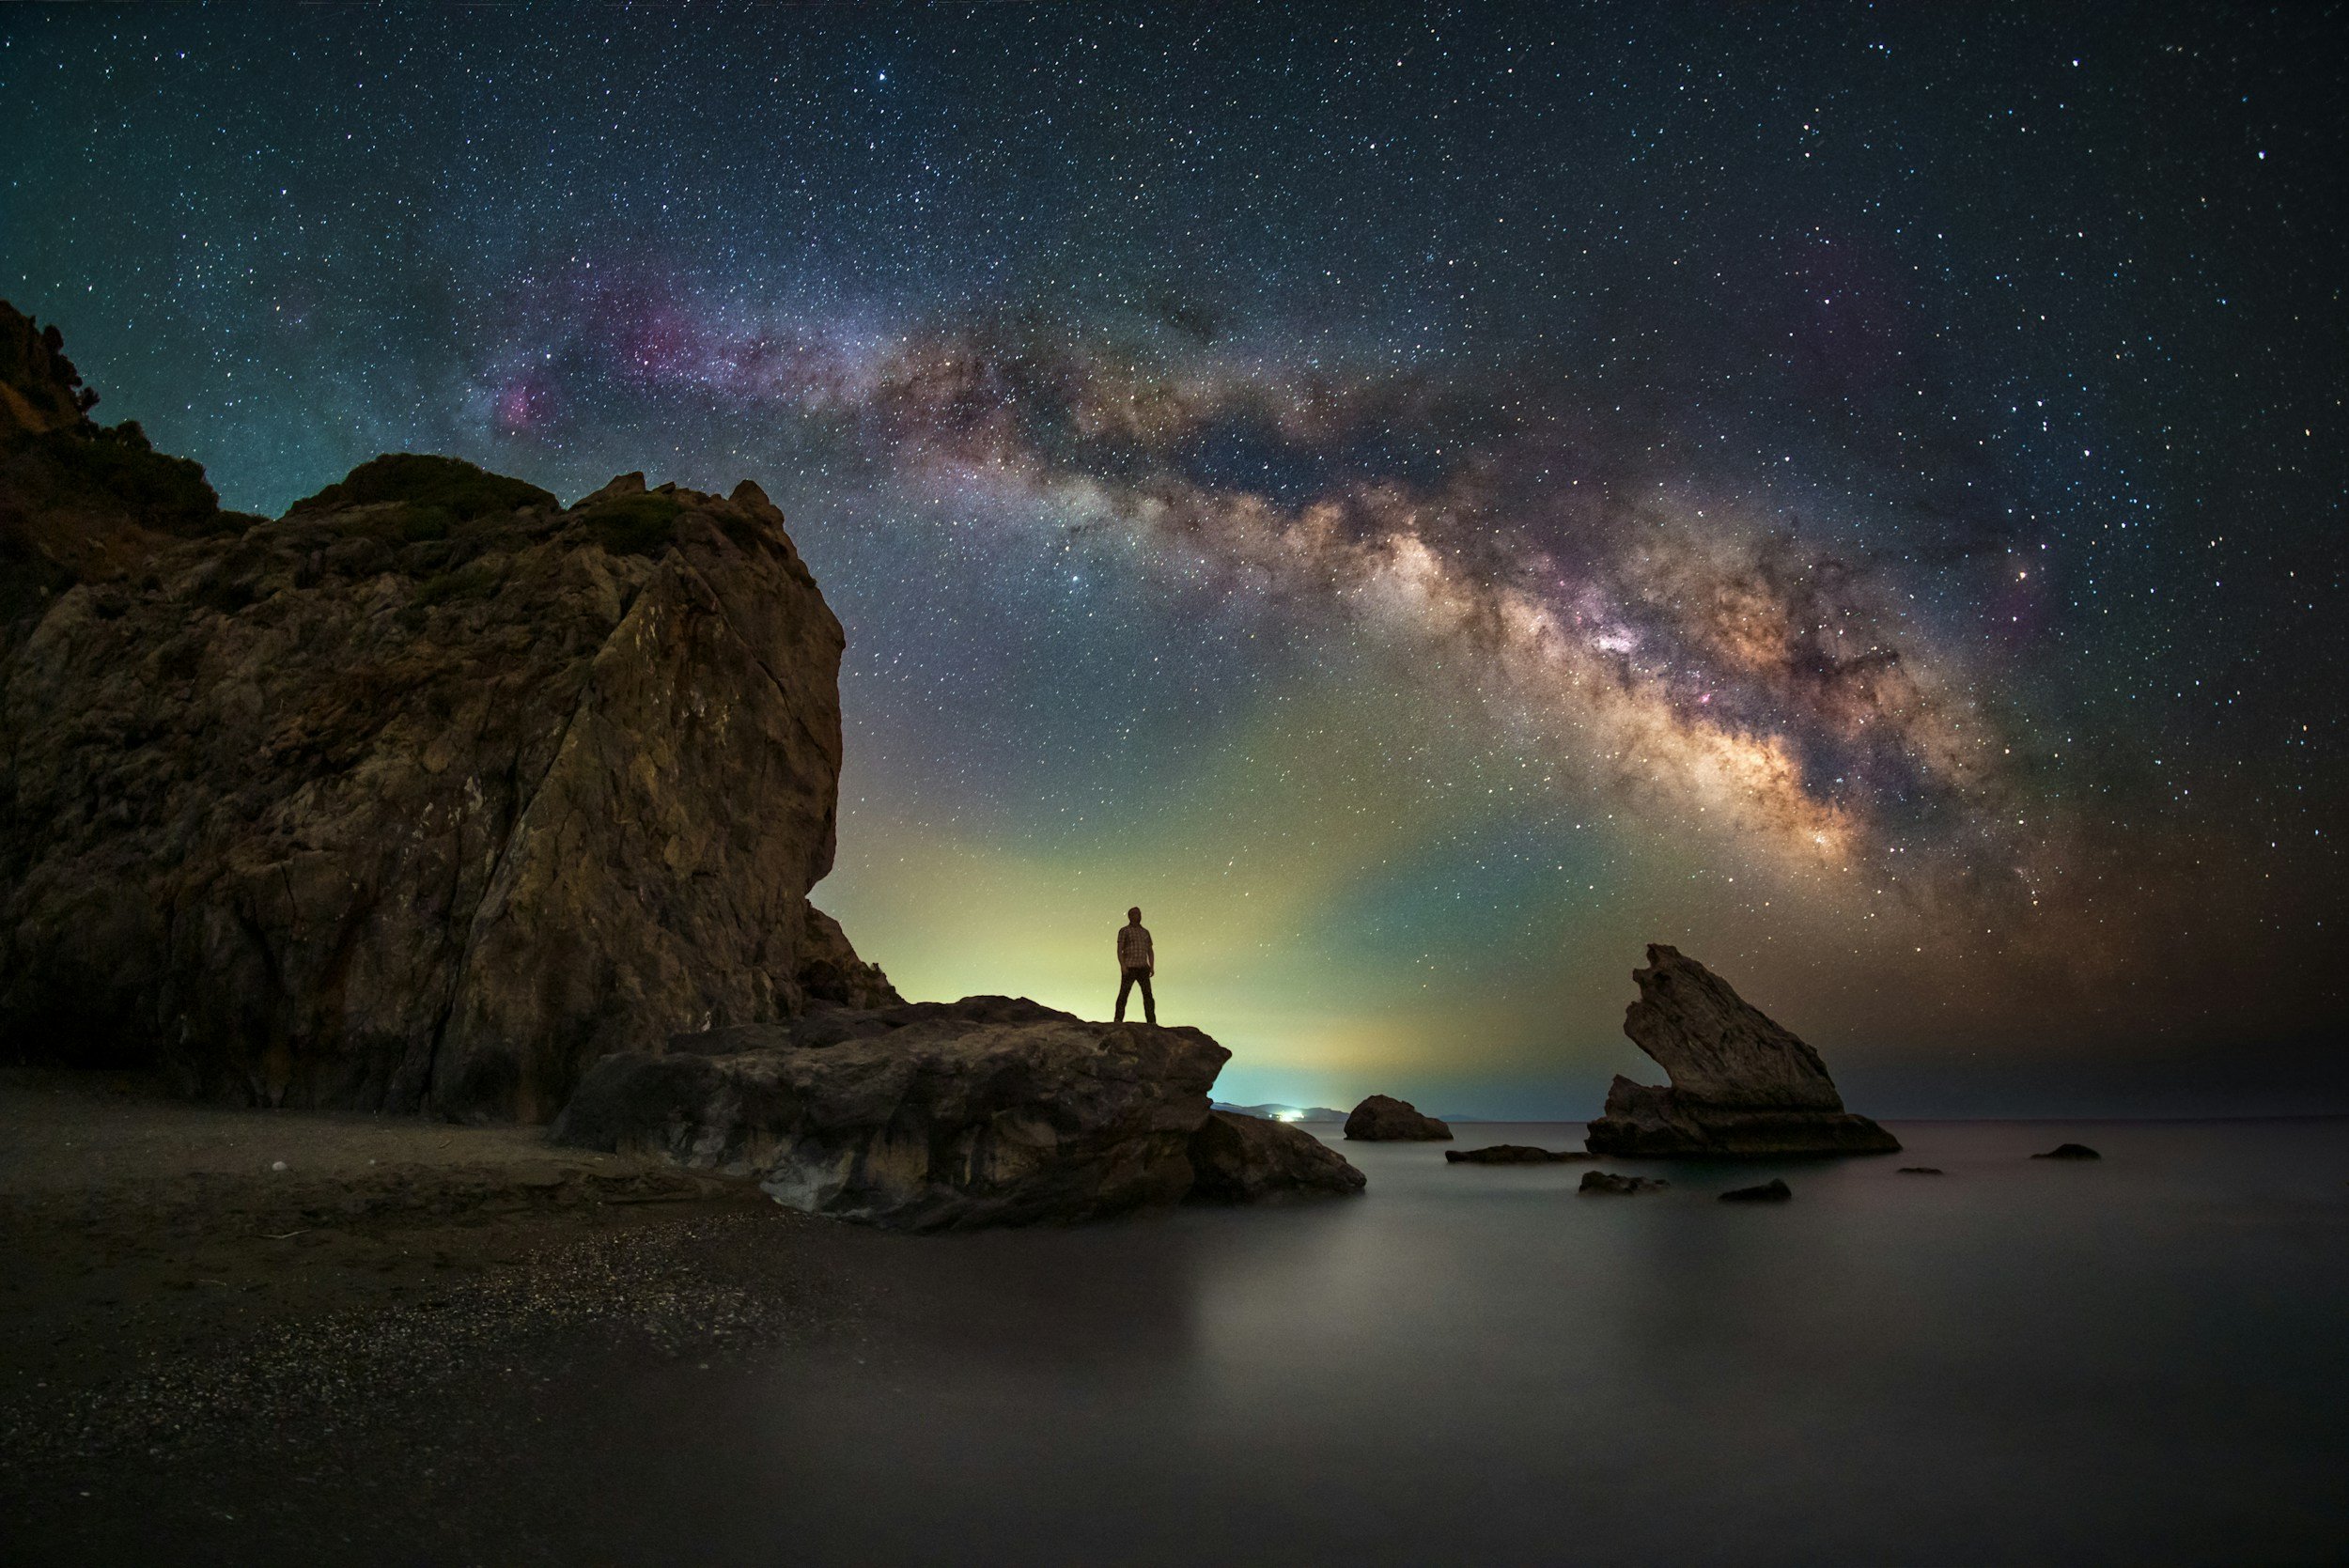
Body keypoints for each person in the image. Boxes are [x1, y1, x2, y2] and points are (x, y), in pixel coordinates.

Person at [1113, 906, 1156, 1025]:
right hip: (1130, 966)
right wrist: (1122, 965)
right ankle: (1118, 1019)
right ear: (1130, 916)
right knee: (1124, 993)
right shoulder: (1124, 931)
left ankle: (1151, 1021)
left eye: (1139, 914)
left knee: (1148, 995)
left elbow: (1150, 950)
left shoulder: (1145, 932)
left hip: (1143, 967)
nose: (1138, 916)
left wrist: (1152, 966)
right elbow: (1119, 949)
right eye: (1135, 914)